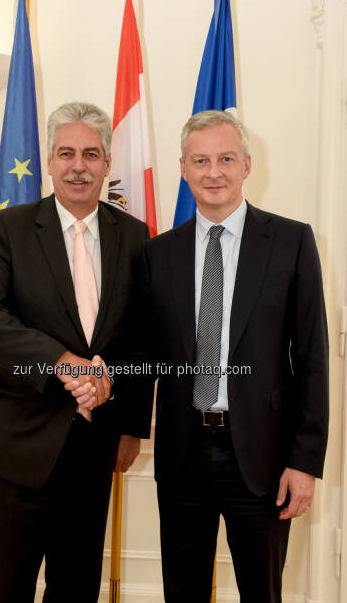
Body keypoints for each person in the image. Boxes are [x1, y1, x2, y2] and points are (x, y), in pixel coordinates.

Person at [0, 101, 154, 603]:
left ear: (108, 163)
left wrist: (130, 424)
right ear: (49, 161)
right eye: (66, 153)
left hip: (92, 449)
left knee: (76, 589)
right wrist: (60, 362)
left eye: (91, 153)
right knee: (4, 590)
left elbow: (142, 336)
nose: (78, 165)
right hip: (14, 446)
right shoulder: (11, 229)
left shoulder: (133, 236)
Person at [140, 110, 329, 602]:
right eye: (200, 160)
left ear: (247, 164)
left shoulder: (291, 242)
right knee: (183, 591)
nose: (213, 172)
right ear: (183, 169)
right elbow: (143, 355)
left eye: (225, 158)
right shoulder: (157, 255)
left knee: (261, 592)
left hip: (264, 461)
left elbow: (311, 357)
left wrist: (304, 461)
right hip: (183, 455)